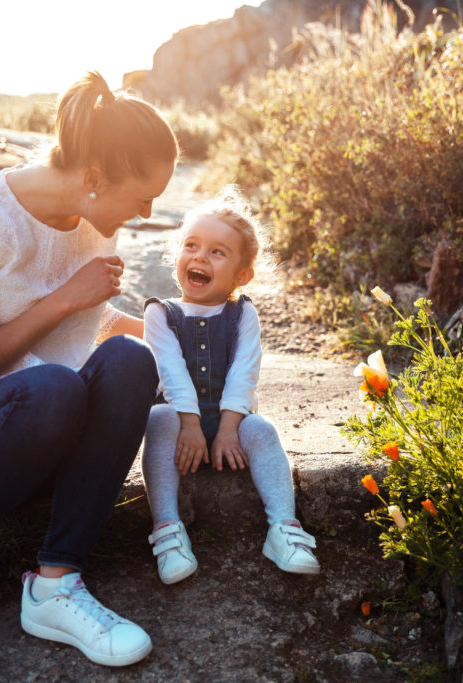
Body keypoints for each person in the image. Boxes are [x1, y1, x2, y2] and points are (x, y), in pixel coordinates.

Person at [0, 71, 178, 672]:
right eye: (142, 195)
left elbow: (92, 325)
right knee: (54, 387)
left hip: (59, 438)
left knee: (134, 359)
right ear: (92, 178)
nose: (148, 211)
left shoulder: (93, 224)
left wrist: (174, 330)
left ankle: (55, 584)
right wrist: (61, 299)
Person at [140, 187, 320, 586]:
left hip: (230, 427)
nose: (200, 256)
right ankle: (168, 531)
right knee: (159, 419)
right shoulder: (160, 314)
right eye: (191, 245)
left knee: (263, 429)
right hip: (178, 424)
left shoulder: (242, 314)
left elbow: (244, 372)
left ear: (242, 275)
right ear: (177, 257)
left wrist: (227, 429)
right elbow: (169, 370)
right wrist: (189, 424)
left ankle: (283, 530)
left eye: (217, 252)